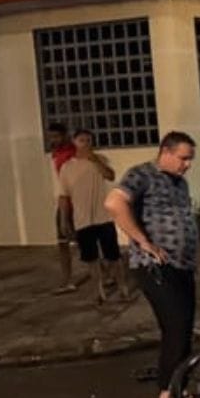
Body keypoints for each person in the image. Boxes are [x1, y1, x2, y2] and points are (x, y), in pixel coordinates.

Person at [106, 132, 199, 398]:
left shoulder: (180, 183)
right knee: (177, 326)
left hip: (182, 267)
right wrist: (143, 241)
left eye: (190, 159)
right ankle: (168, 391)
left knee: (182, 328)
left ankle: (175, 389)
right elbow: (114, 202)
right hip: (155, 266)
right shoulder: (142, 174)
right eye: (183, 158)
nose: (187, 165)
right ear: (166, 152)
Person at [55, 129, 126, 303]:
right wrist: (64, 220)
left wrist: (94, 160)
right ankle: (99, 292)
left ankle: (123, 289)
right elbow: (64, 196)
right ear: (74, 141)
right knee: (91, 258)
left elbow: (110, 175)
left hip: (103, 217)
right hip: (82, 219)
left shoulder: (99, 160)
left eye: (88, 140)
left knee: (113, 256)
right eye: (82, 140)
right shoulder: (67, 167)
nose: (85, 143)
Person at [45, 121, 78, 293]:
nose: (53, 140)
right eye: (51, 137)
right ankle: (67, 280)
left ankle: (106, 273)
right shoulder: (56, 153)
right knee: (63, 242)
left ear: (65, 135)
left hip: (74, 202)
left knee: (82, 241)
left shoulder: (73, 153)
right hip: (63, 201)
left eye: (56, 136)